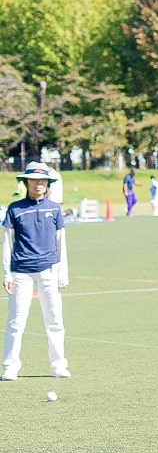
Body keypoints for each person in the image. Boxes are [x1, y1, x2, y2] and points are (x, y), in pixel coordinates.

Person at [3, 163, 69, 381]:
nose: (38, 184)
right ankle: (10, 367)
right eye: (34, 180)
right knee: (16, 322)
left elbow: (61, 243)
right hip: (21, 271)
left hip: (49, 270)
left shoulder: (54, 209)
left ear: (48, 183)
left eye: (42, 180)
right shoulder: (15, 209)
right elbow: (7, 243)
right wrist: (7, 274)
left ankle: (58, 365)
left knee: (55, 320)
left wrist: (62, 275)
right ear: (26, 182)